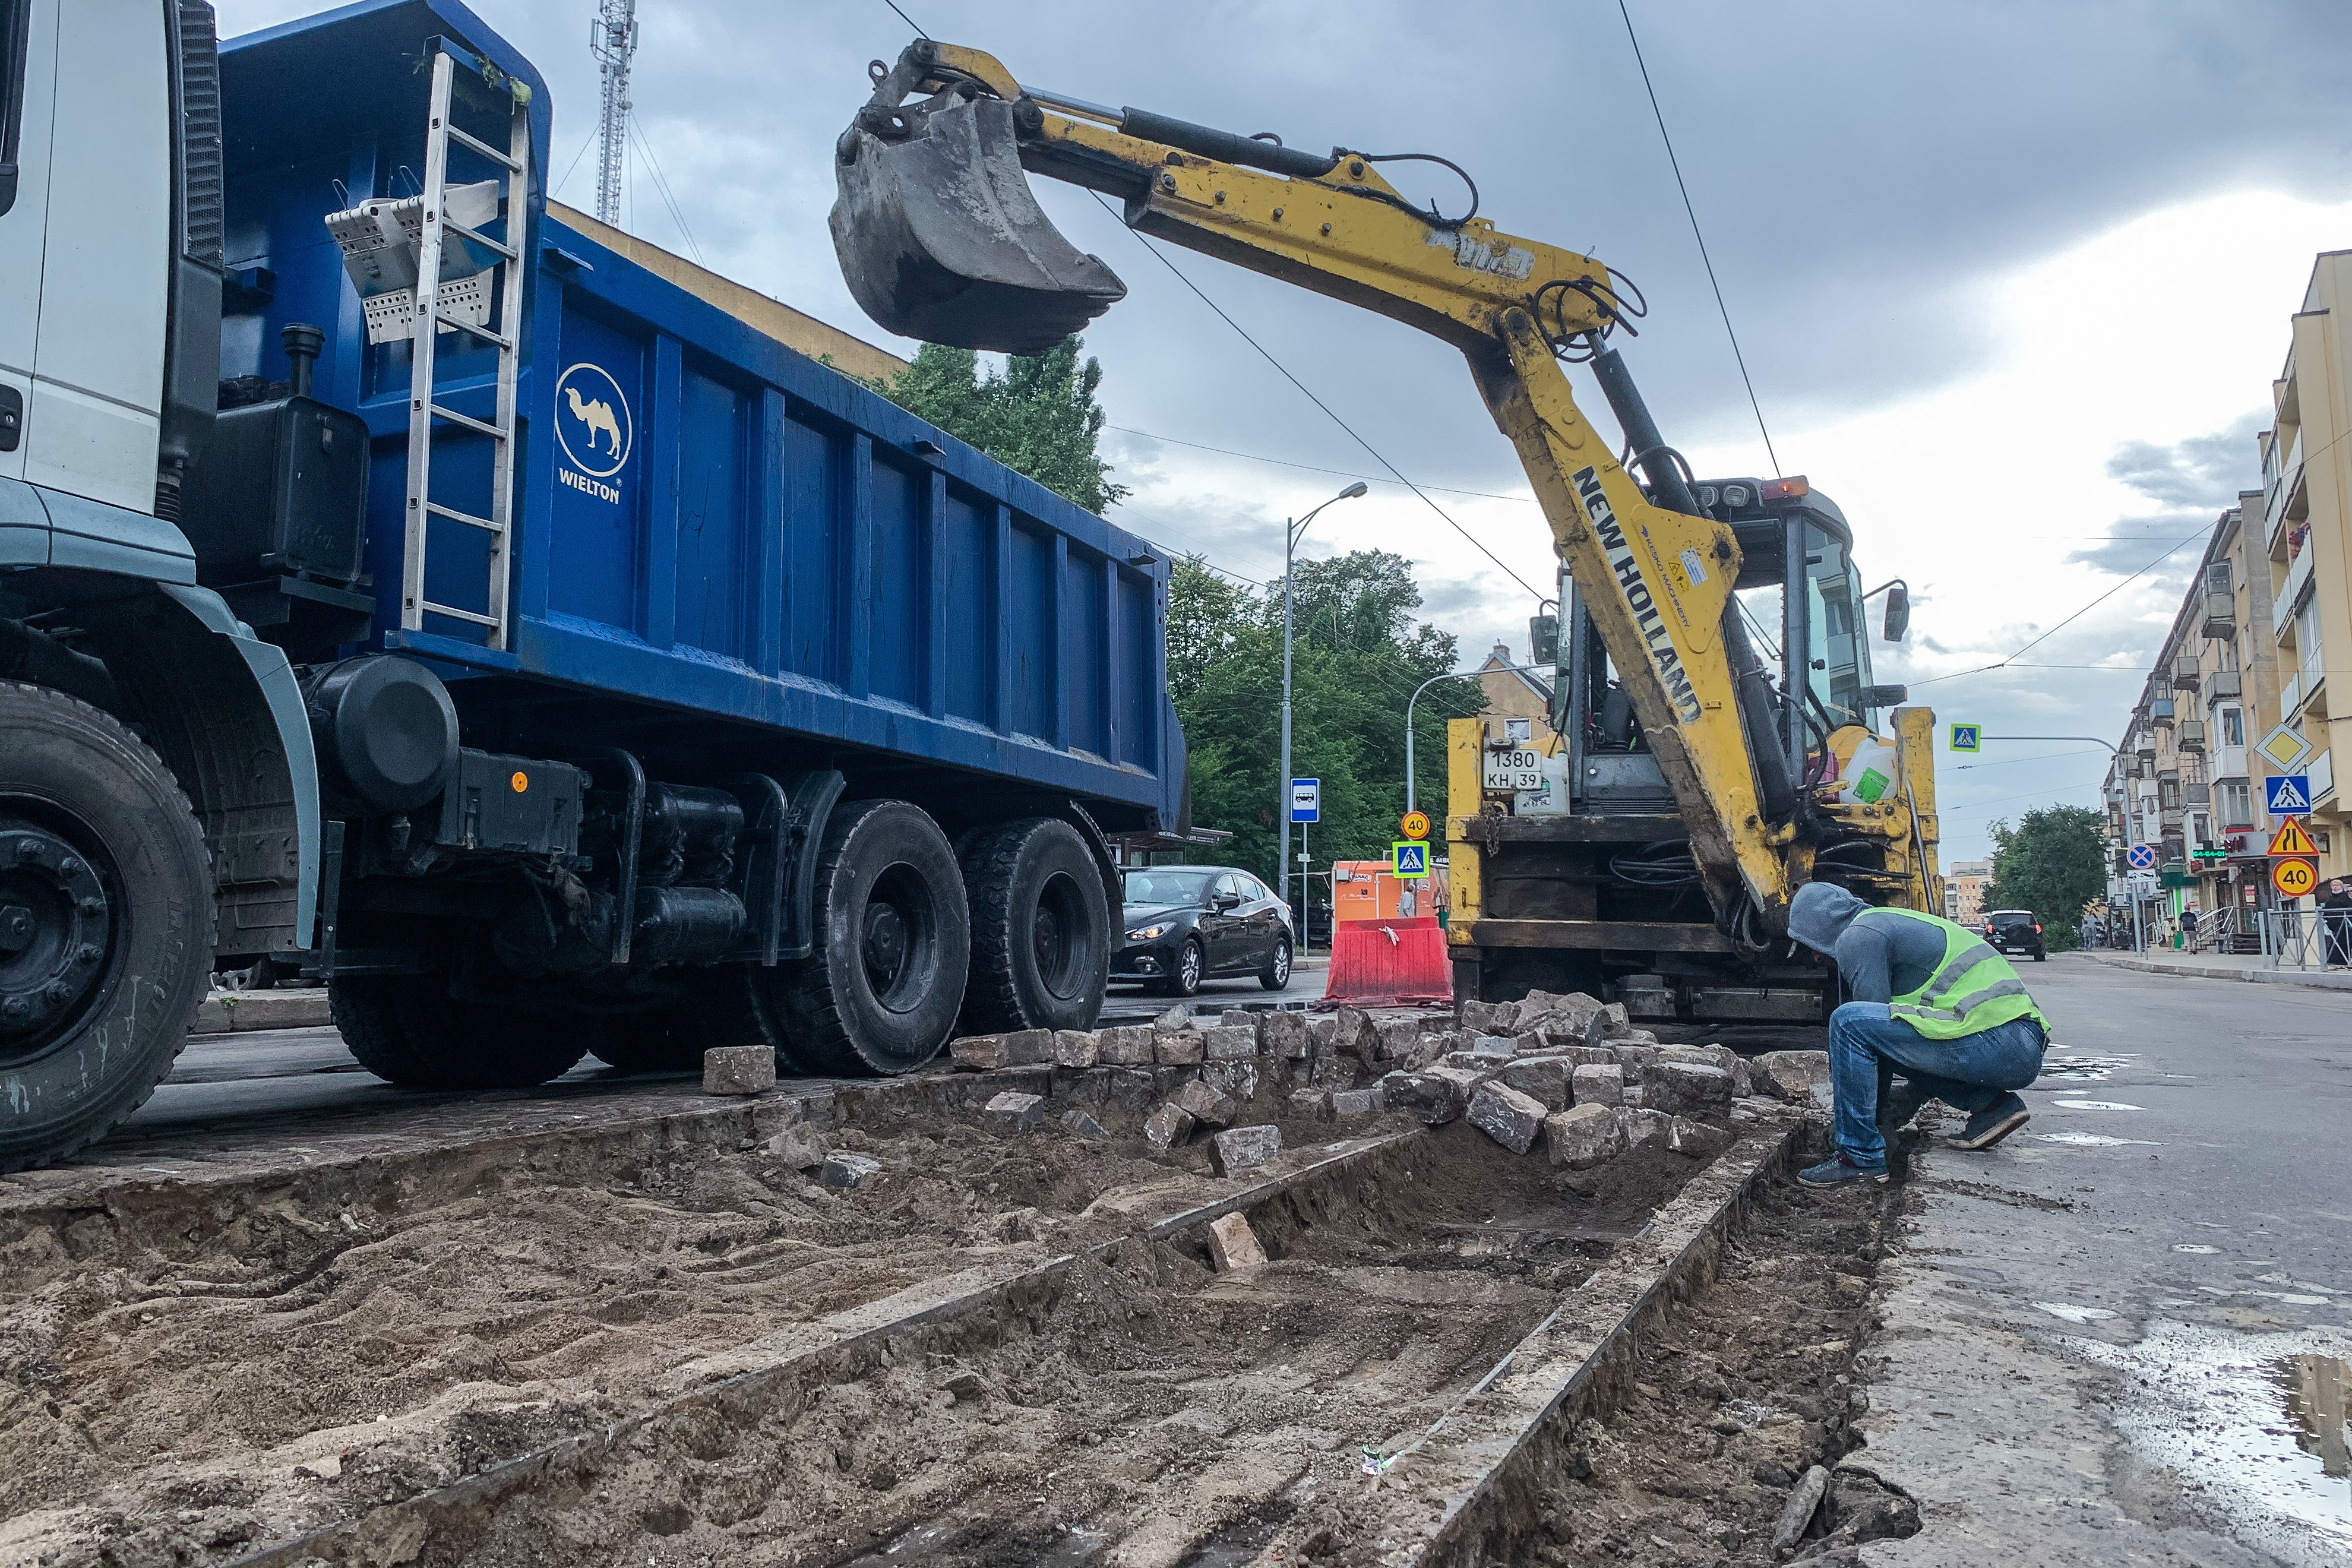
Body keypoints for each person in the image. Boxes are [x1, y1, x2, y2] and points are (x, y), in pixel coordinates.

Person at [1785, 882, 2051, 1187]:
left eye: (1810, 946)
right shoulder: (1887, 924)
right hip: (2015, 1044)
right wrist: (1906, 1099)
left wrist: (1872, 1123)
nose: (1815, 958)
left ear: (1823, 929)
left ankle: (1858, 1157)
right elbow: (1897, 1041)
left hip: (1999, 1041)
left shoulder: (1859, 937)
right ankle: (1992, 1107)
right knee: (1885, 1031)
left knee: (1847, 1023)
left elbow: (1866, 1038)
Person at [2322, 878, 2352, 970]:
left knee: (2343, 943)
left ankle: (2341, 962)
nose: (2335, 888)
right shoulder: (2330, 898)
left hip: (2345, 925)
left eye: (2337, 885)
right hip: (2334, 925)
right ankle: (2337, 962)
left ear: (2341, 887)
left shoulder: (2346, 898)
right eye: (2333, 886)